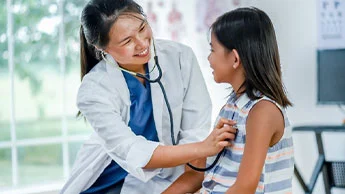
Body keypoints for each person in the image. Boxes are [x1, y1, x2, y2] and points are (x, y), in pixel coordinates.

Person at [60, 0, 237, 194]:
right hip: (104, 183)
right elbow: (132, 151)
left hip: (162, 182)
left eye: (143, 28)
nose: (142, 43)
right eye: (127, 41)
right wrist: (204, 147)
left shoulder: (179, 57)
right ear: (102, 48)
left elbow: (195, 135)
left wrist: (201, 152)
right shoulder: (93, 90)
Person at [199, 7, 294, 194]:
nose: (209, 58)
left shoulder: (263, 111)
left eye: (212, 50)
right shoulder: (233, 106)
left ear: (235, 58)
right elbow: (215, 176)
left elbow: (245, 187)